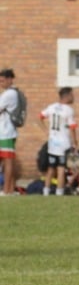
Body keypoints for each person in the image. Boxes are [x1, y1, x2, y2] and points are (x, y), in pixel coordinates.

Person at [39, 87, 79, 196]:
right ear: (67, 96)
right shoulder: (68, 110)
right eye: (72, 95)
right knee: (61, 168)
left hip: (52, 143)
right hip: (63, 143)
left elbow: (40, 117)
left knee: (51, 167)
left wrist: (46, 131)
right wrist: (75, 142)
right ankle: (59, 191)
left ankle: (46, 191)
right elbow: (72, 127)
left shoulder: (51, 107)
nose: (73, 97)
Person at [0, 68, 19, 196]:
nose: (1, 83)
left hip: (5, 131)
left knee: (8, 160)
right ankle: (10, 188)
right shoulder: (11, 93)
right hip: (7, 131)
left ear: (9, 79)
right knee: (7, 160)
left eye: (2, 81)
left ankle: (7, 190)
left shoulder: (9, 94)